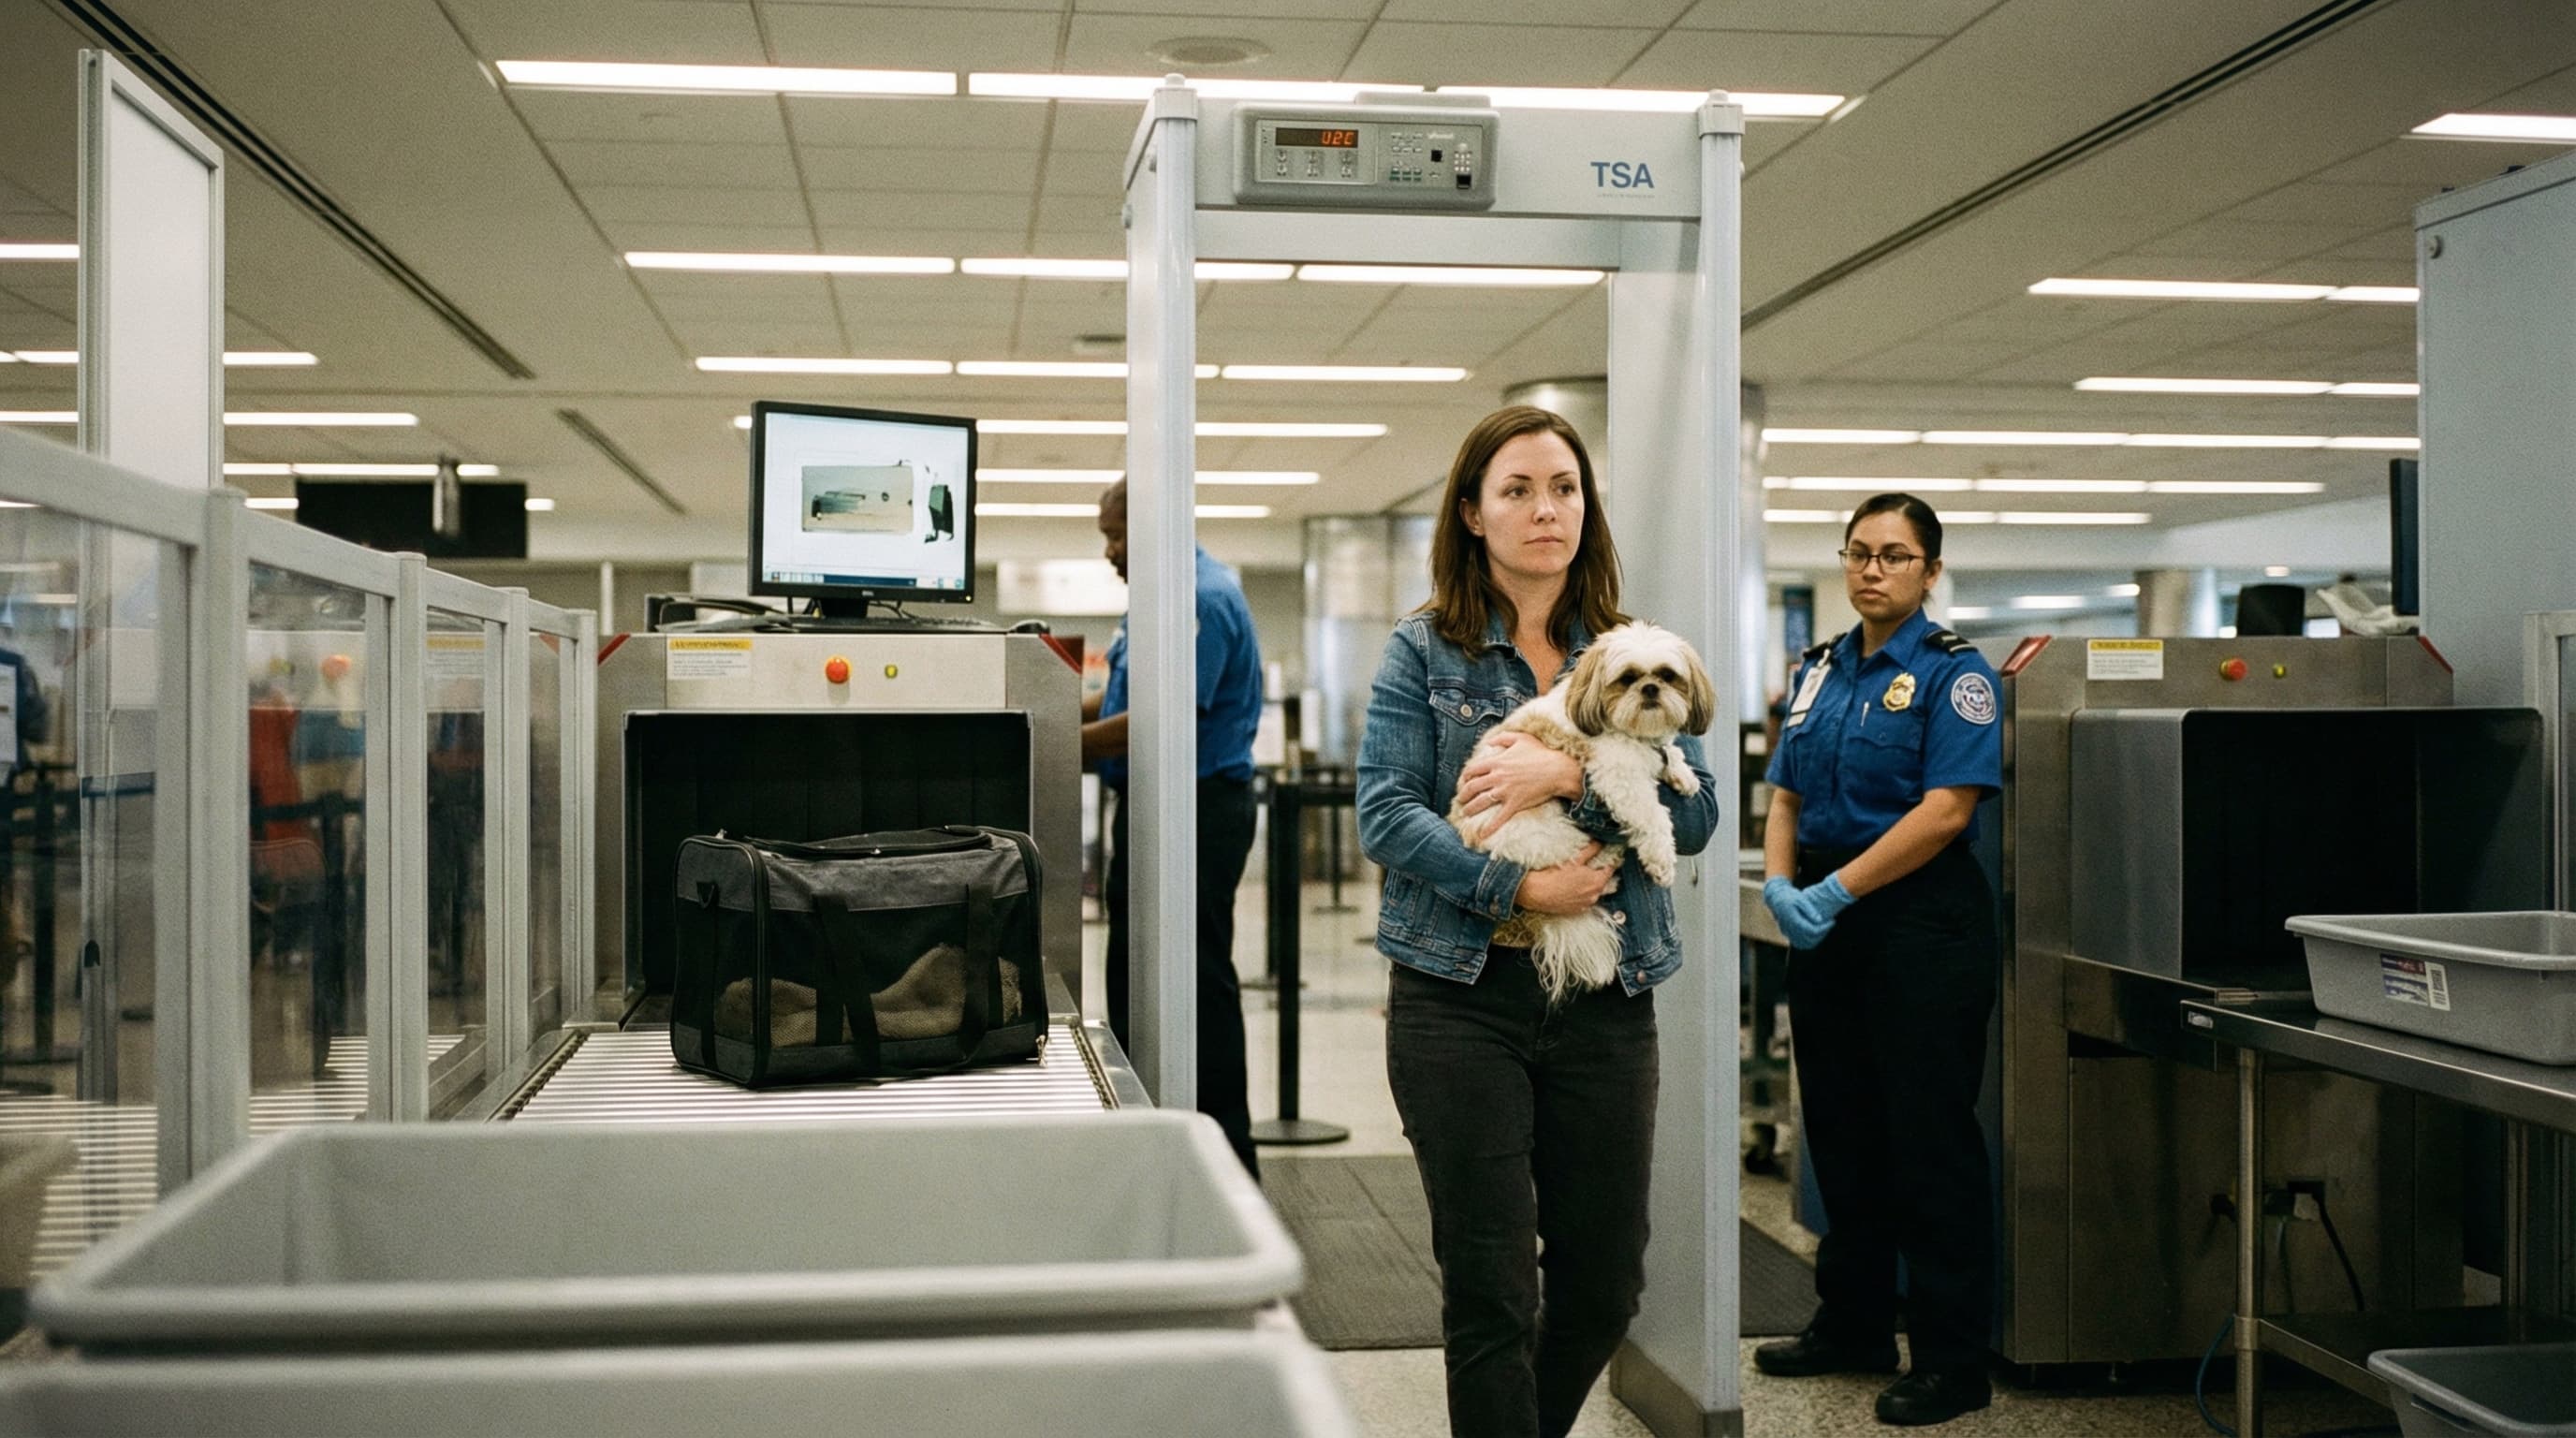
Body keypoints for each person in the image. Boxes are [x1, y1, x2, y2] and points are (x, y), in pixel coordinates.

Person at [1355, 405, 1719, 1438]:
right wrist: (1515, 890)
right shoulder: (1423, 652)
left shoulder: (1630, 650)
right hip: (1457, 998)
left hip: (1606, 1002)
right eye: (1515, 489)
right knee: (1491, 1290)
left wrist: (1571, 775)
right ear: (1473, 513)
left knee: (1605, 1287)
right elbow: (1385, 811)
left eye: (1561, 487)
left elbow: (1693, 818)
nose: (1543, 509)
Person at [1755, 492, 2003, 1428]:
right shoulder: (1818, 671)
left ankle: (1951, 1359)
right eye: (1858, 553)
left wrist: (1836, 891)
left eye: (1894, 556)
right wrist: (1786, 891)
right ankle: (1851, 1322)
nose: (1871, 570)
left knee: (1927, 1142)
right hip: (1826, 923)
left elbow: (1947, 811)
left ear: (1929, 572)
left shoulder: (1954, 676)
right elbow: (1782, 790)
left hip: (1918, 925)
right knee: (1842, 1131)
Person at [1079, 478, 1265, 1175]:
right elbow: (1125, 695)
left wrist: (1062, 747)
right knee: (1137, 979)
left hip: (1198, 812)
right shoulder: (1159, 600)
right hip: (1160, 805)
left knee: (1196, 986)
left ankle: (1224, 1163)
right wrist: (1047, 710)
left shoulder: (1199, 599)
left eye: (1118, 534)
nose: (1111, 552)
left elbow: (1164, 716)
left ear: (1156, 527)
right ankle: (1153, 1146)